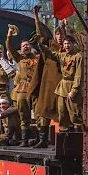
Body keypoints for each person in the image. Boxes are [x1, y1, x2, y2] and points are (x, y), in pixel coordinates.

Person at [32, 11, 67, 148]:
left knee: (63, 112)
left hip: (62, 84)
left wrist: (67, 25)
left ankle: (64, 142)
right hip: (48, 83)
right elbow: (40, 34)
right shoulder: (50, 44)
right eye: (57, 34)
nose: (59, 37)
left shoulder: (68, 49)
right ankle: (43, 139)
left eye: (61, 34)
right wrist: (36, 17)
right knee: (43, 110)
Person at [39, 27, 83, 133]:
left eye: (69, 43)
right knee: (62, 113)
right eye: (65, 44)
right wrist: (40, 44)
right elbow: (50, 54)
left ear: (73, 44)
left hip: (71, 87)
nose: (67, 46)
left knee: (75, 115)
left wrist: (74, 90)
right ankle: (65, 141)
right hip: (62, 88)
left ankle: (78, 139)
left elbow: (78, 75)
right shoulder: (62, 56)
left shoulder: (78, 56)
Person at [5, 20, 41, 146]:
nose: (25, 46)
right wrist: (9, 35)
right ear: (20, 49)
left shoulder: (37, 58)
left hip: (35, 88)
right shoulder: (19, 58)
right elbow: (9, 47)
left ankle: (40, 139)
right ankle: (24, 140)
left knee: (38, 114)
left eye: (27, 45)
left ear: (30, 46)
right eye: (23, 45)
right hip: (22, 88)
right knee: (23, 115)